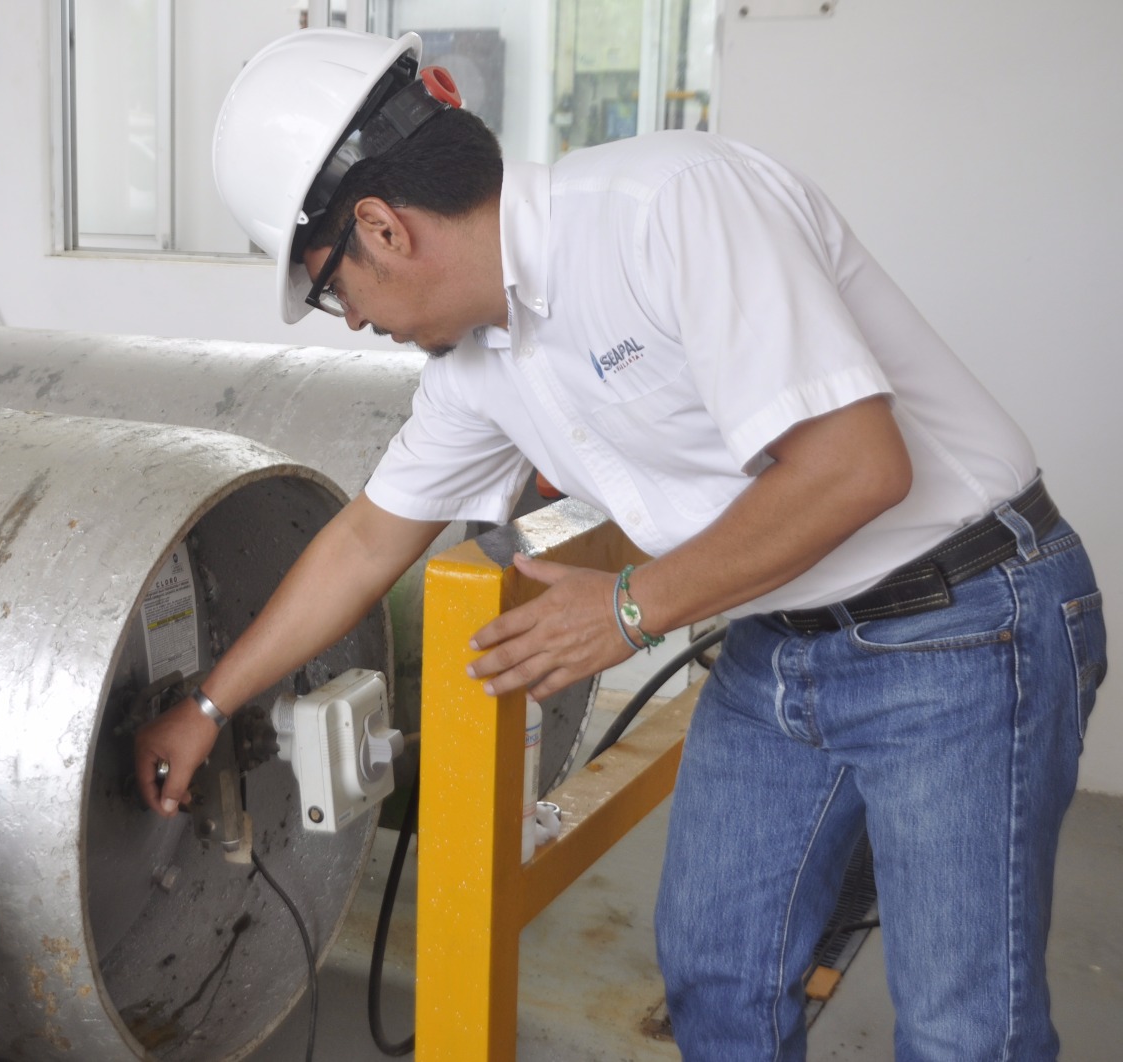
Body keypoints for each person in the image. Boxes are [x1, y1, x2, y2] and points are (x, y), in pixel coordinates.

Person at [133, 27, 1107, 1061]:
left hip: (962, 619)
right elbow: (369, 538)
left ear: (379, 227)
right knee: (717, 976)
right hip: (784, 636)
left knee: (964, 1032)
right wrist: (206, 704)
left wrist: (628, 606)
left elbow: (858, 466)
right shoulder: (479, 368)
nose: (348, 321)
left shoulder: (669, 209)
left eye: (331, 287)